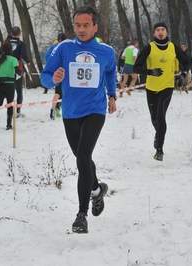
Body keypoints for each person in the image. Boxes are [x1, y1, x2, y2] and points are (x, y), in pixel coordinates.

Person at [40, 5, 116, 234]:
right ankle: (96, 190)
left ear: (95, 26)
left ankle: (81, 215)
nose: (81, 30)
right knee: (82, 158)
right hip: (71, 112)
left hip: (95, 109)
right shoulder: (63, 48)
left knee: (83, 156)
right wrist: (53, 78)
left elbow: (111, 72)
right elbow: (45, 77)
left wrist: (111, 95)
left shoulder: (106, 51)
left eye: (86, 25)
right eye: (77, 25)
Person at [133, 22, 189, 161]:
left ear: (167, 32)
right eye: (157, 30)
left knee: (160, 116)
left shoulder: (173, 47)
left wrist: (183, 74)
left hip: (167, 86)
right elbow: (136, 68)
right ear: (154, 33)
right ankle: (158, 135)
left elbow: (186, 61)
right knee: (154, 119)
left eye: (163, 29)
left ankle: (159, 149)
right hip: (151, 87)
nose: (160, 32)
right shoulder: (149, 48)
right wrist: (150, 71)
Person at [0, 41, 21, 129]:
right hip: (9, 85)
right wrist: (19, 74)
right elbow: (18, 71)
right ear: (11, 49)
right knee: (10, 105)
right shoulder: (13, 59)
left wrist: (0, 71)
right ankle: (9, 124)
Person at [5, 26, 30, 117]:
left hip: (7, 69)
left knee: (10, 91)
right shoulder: (21, 44)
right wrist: (28, 61)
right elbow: (23, 54)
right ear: (20, 34)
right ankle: (18, 111)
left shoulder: (6, 42)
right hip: (17, 69)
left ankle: (10, 111)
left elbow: (0, 52)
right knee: (19, 91)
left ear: (11, 33)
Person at [44, 32, 67, 120]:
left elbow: (46, 56)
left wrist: (52, 66)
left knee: (58, 93)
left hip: (57, 72)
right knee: (63, 93)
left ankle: (54, 109)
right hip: (65, 73)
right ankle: (56, 109)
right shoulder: (68, 47)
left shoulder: (53, 47)